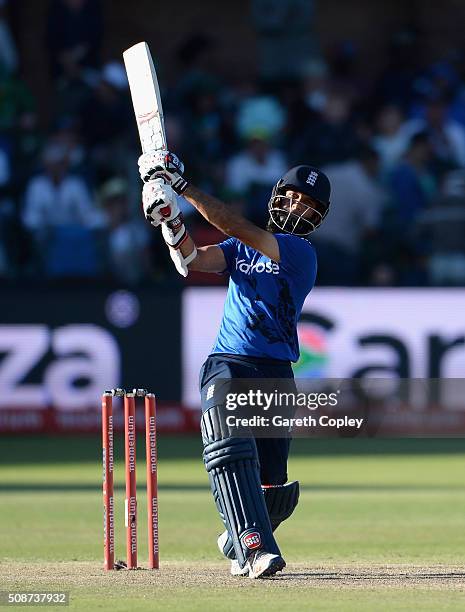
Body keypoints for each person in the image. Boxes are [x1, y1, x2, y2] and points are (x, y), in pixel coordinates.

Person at [137, 151, 330, 578]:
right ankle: (255, 547)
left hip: (276, 372)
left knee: (273, 489)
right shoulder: (236, 249)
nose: (299, 207)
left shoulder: (301, 254)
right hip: (230, 361)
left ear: (318, 218)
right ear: (279, 197)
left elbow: (237, 227)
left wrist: (183, 188)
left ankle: (237, 532)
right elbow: (191, 262)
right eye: (295, 197)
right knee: (230, 447)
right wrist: (170, 220)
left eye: (309, 206)